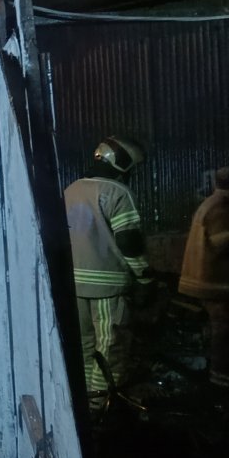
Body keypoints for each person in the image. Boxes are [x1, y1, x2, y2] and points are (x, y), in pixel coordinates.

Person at [64, 136, 155, 412]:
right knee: (109, 351)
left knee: (82, 348)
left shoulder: (72, 189)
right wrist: (145, 278)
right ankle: (102, 412)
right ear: (121, 163)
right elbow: (129, 241)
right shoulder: (117, 192)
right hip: (108, 289)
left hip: (73, 286)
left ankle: (82, 410)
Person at [179, 166, 229, 395]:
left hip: (204, 280)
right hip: (214, 283)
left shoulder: (210, 203)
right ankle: (221, 381)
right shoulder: (221, 207)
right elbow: (220, 243)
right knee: (223, 331)